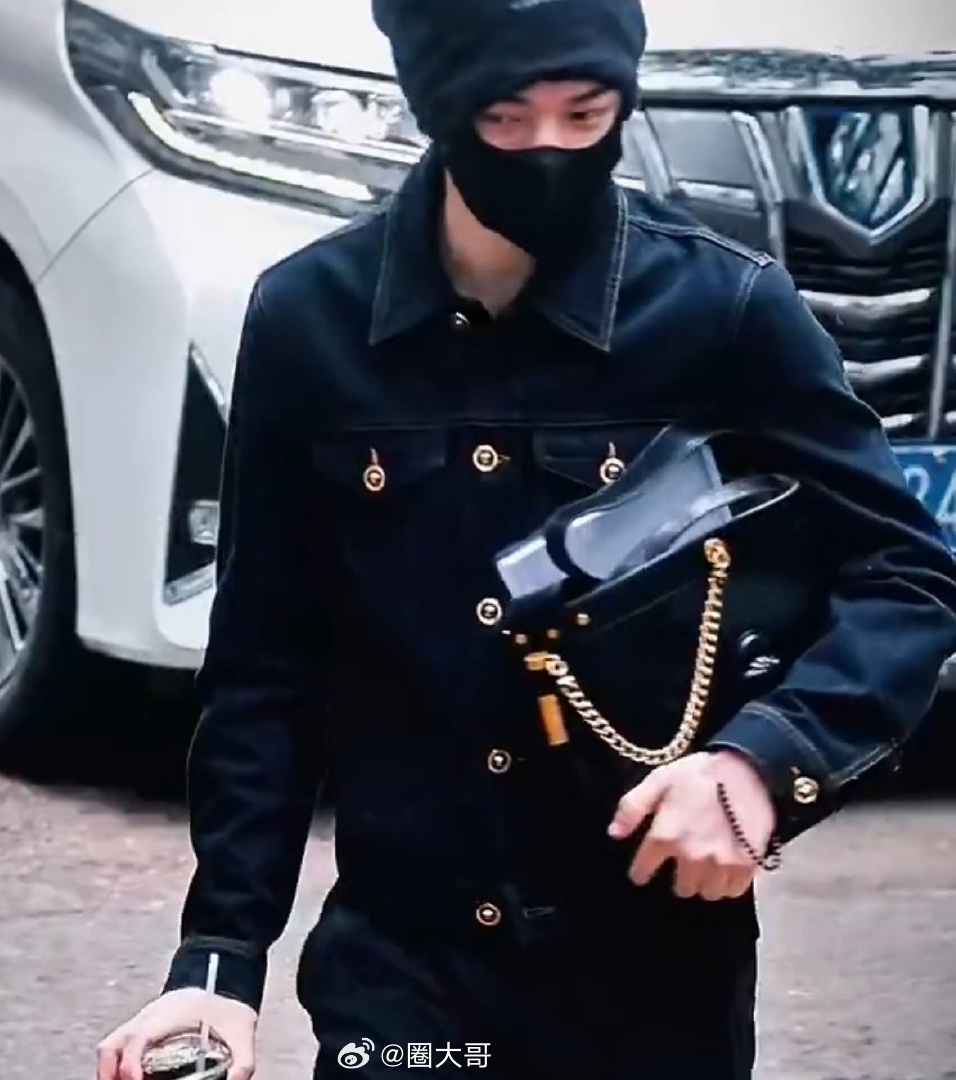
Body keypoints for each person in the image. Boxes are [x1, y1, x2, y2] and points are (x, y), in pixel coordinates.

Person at [96, 0, 956, 1076]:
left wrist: (764, 764)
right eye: (506, 119)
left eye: (585, 114)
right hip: (403, 979)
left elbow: (908, 574)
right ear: (437, 107)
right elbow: (266, 668)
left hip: (651, 978)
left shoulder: (724, 309)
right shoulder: (308, 320)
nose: (549, 148)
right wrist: (217, 965)